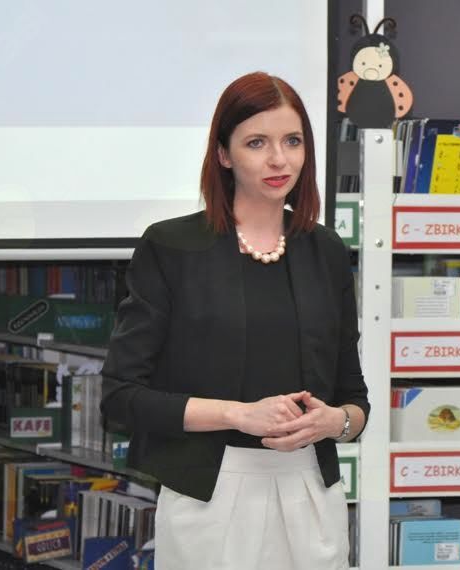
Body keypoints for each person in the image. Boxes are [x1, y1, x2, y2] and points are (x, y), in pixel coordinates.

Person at [100, 71, 370, 570]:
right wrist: (238, 414)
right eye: (256, 142)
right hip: (209, 495)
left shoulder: (327, 250)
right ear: (224, 154)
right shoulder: (171, 246)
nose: (279, 159)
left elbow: (354, 397)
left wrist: (337, 422)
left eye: (292, 141)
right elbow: (121, 396)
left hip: (312, 494)